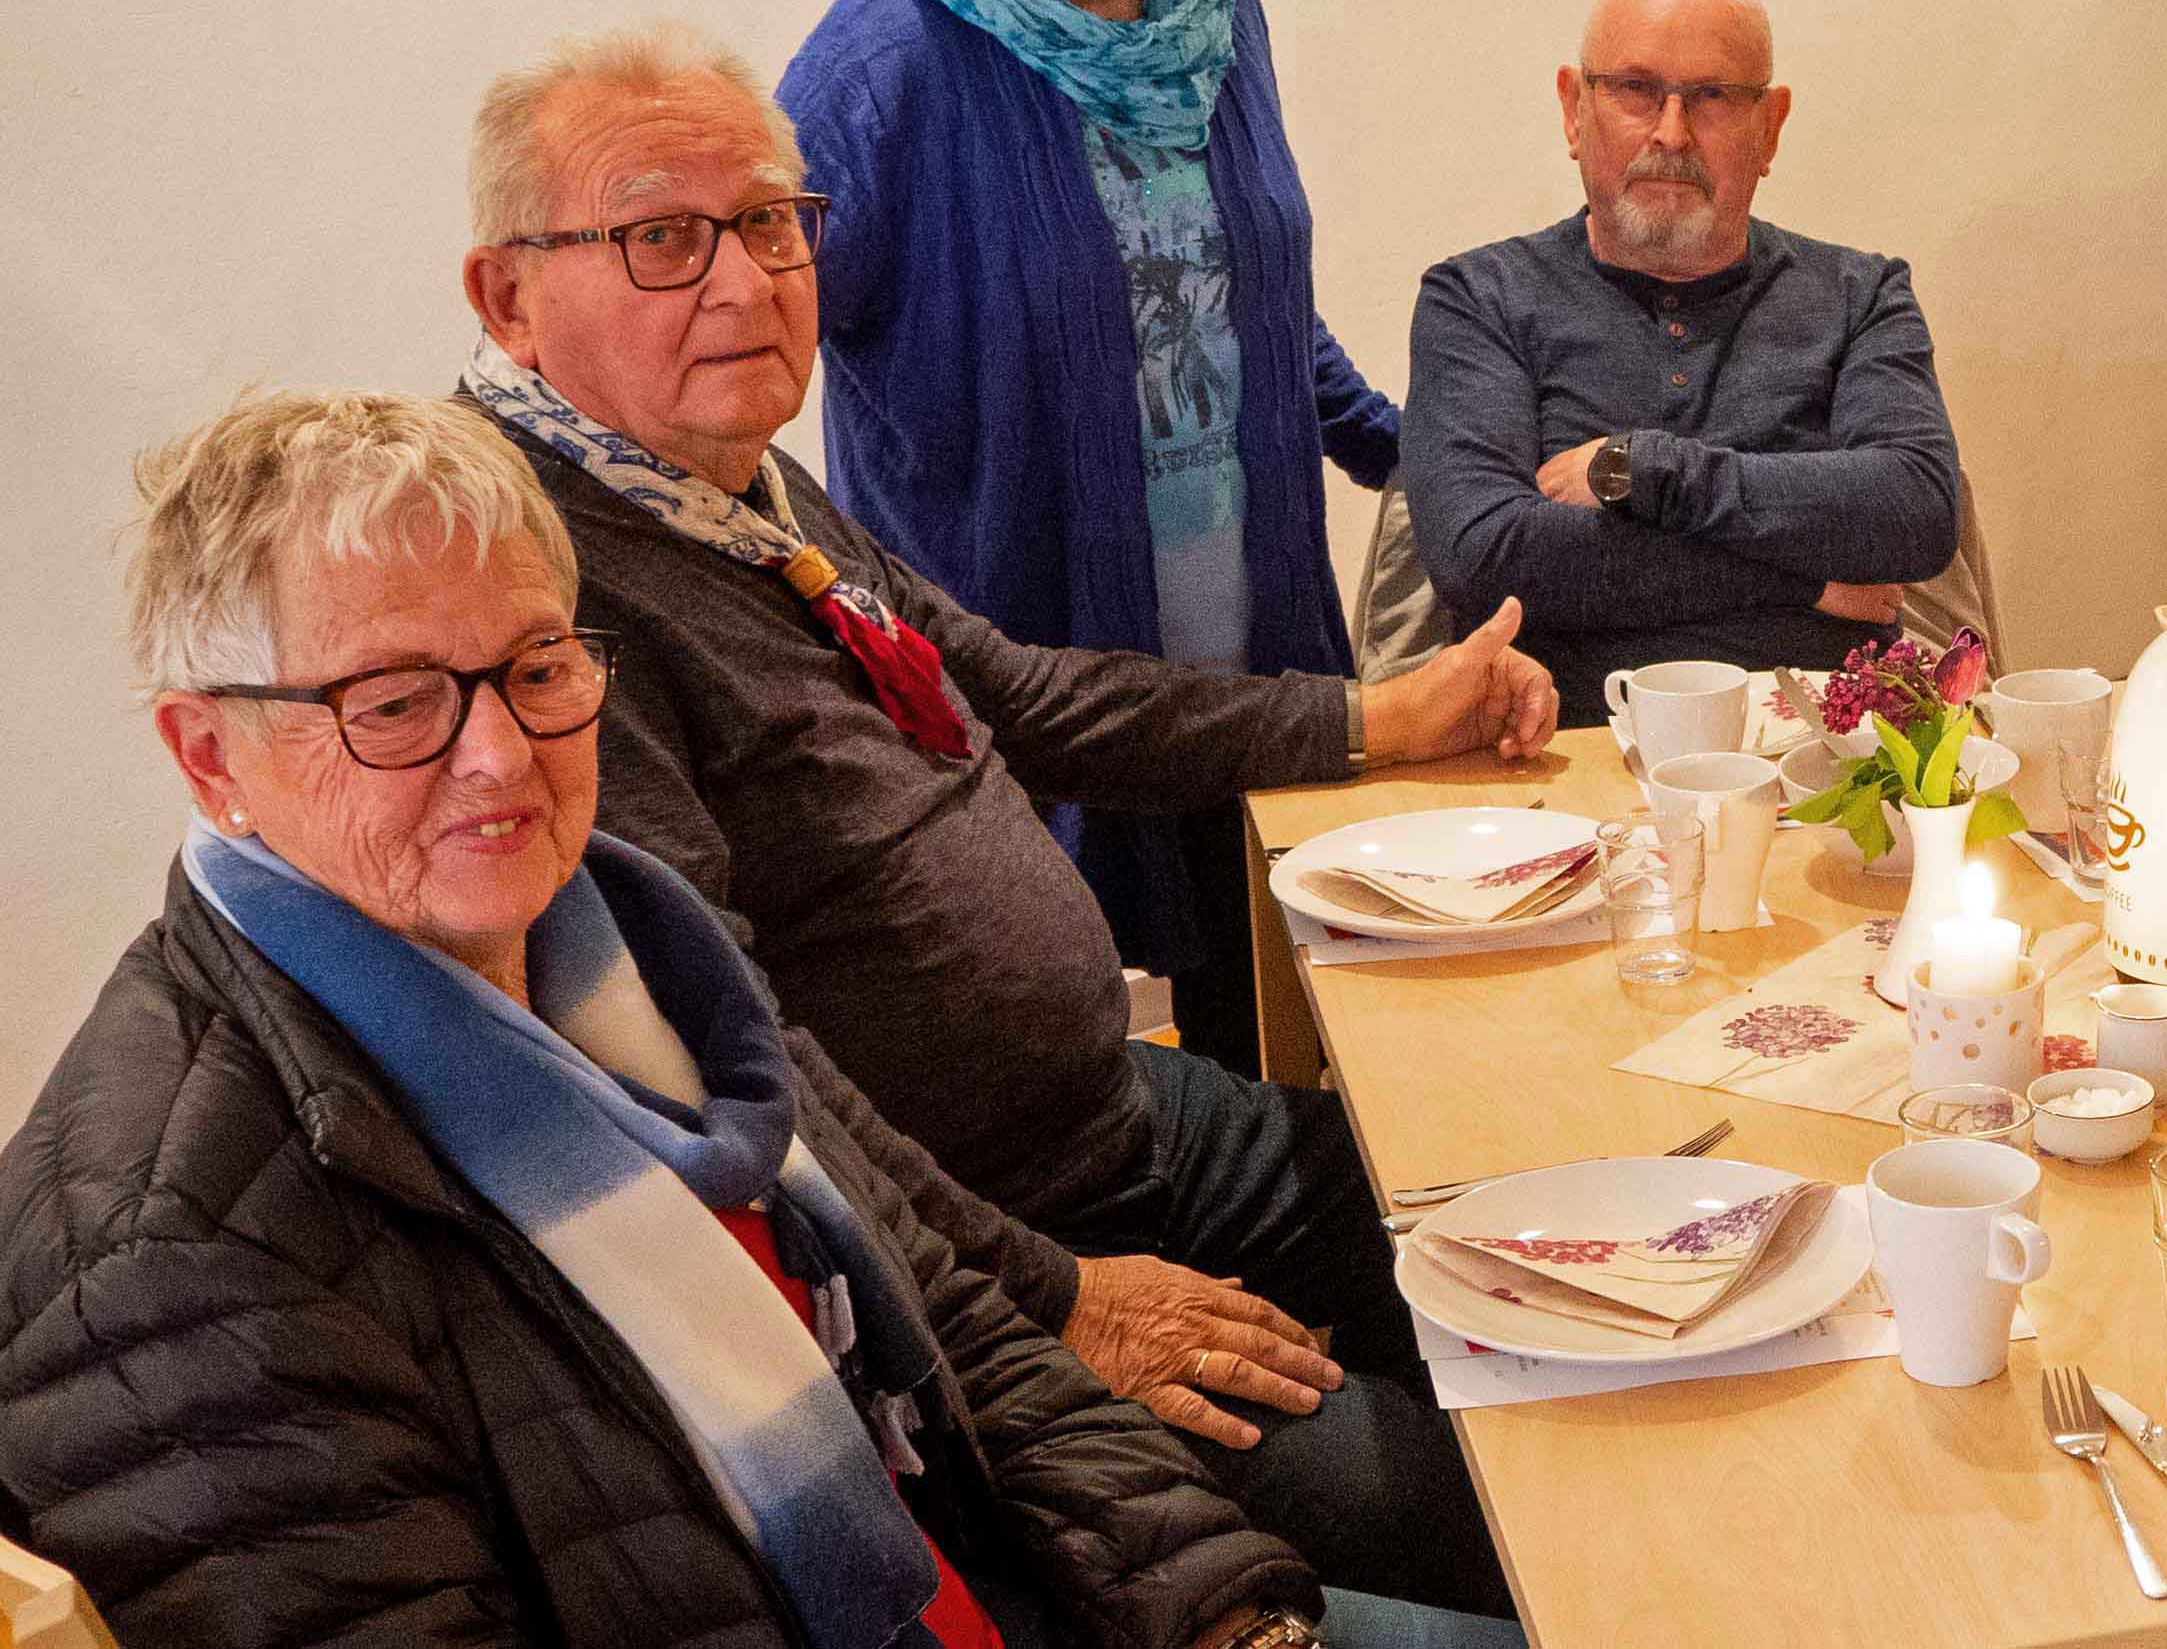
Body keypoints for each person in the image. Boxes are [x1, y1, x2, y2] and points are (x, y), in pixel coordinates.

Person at [456, 24, 1548, 1626]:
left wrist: (1371, 717)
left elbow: (1030, 699)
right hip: (999, 1258)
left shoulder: (733, 490)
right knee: (1533, 1506)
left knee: (1546, 1250)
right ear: (507, 296)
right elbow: (715, 1044)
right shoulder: (546, 590)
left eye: (771, 223)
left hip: (1122, 1121)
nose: (748, 282)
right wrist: (1055, 1299)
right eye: (660, 236)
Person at [0, 387, 1322, 1649]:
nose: (502, 753)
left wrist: (1218, 1605)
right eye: (394, 701)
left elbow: (954, 1325)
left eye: (535, 663)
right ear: (209, 755)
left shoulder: (627, 939)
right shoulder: (169, 1261)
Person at [779, 0, 1399, 1028]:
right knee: (1093, 1142)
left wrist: (1397, 444)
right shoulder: (886, 61)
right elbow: (731, 359)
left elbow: (1232, 282)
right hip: (1041, 721)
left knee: (1305, 1080)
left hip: (1255, 672)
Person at [1400, 0, 1962, 720]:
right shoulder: (1479, 299)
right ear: (1574, 110)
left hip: (1827, 766)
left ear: (1770, 126)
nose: (1671, 132)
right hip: (1560, 756)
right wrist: (1809, 581)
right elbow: (1486, 560)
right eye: (1634, 89)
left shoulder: (1860, 295)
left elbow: (1914, 513)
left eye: (1713, 97)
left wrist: (1645, 472)